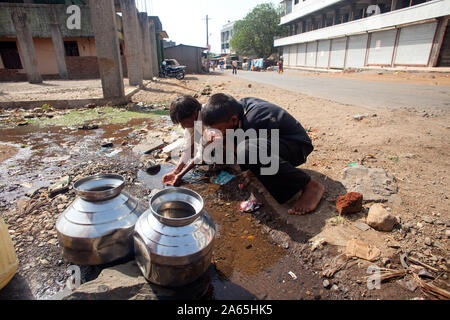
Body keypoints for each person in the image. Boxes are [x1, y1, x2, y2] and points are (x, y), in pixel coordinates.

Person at [200, 93, 325, 215]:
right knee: (243, 148)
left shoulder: (252, 119)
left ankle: (310, 186)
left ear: (233, 119)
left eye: (219, 128)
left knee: (246, 150)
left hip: (297, 148)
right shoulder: (239, 109)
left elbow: (247, 149)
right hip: (277, 143)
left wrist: (223, 142)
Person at [162, 95, 204, 186]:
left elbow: (202, 152)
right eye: (180, 123)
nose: (182, 126)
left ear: (194, 113)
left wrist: (181, 175)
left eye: (183, 122)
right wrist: (175, 171)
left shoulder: (208, 118)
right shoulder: (192, 121)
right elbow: (188, 147)